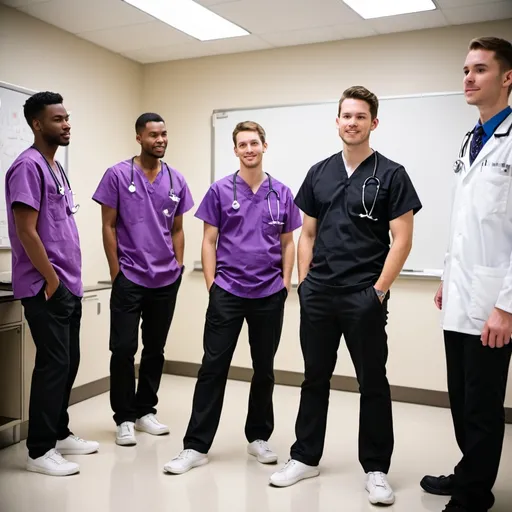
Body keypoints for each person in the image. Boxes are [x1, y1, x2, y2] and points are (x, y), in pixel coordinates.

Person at [269, 86, 422, 506]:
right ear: (336, 122)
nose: (351, 122)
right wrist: (306, 283)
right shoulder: (319, 172)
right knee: (314, 377)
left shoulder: (391, 174)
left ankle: (376, 469)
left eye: (360, 116)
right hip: (319, 294)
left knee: (372, 381)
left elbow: (402, 240)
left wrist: (377, 293)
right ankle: (305, 457)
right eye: (345, 116)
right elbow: (308, 234)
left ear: (373, 123)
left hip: (363, 297)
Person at [163, 121, 302, 474]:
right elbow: (208, 240)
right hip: (228, 292)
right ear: (236, 150)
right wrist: (212, 285)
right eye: (242, 144)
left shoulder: (282, 193)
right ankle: (195, 446)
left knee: (265, 370)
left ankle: (258, 437)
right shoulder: (220, 190)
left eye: (254, 143)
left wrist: (285, 283)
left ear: (264, 146)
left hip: (269, 293)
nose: (249, 149)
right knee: (212, 368)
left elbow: (289, 243)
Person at [420, 37, 512, 512]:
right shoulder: (471, 138)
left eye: (479, 69)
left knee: (481, 404)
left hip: (493, 303)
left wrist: (506, 305)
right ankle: (467, 472)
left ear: (507, 77)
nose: (468, 79)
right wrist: (444, 276)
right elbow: (464, 219)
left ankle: (475, 493)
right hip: (460, 293)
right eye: (464, 70)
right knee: (460, 398)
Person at [5, 92, 99, 476]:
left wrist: (66, 281)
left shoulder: (55, 167)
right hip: (46, 286)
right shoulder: (27, 167)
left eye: (67, 118)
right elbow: (27, 232)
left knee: (68, 362)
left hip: (67, 284)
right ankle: (39, 451)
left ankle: (59, 432)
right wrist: (52, 279)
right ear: (37, 124)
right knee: (52, 364)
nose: (66, 124)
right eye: (58, 119)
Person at [92, 113, 194, 446]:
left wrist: (178, 267)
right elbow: (108, 225)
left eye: (164, 134)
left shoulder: (176, 179)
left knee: (155, 348)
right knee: (122, 348)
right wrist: (115, 271)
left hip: (165, 278)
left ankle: (145, 410)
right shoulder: (118, 175)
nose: (161, 140)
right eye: (153, 135)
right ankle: (123, 417)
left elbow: (178, 229)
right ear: (139, 138)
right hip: (130, 276)